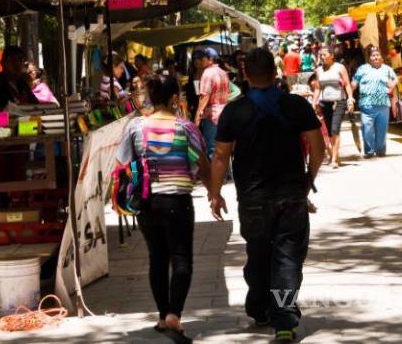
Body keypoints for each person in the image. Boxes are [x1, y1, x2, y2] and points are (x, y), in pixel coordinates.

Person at [208, 48, 325, 342]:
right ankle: (283, 319)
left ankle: (260, 309)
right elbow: (317, 146)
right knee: (288, 259)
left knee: (258, 254)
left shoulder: (234, 111)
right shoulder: (296, 105)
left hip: (252, 198)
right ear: (275, 73)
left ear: (244, 74)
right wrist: (308, 179)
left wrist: (215, 192)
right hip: (291, 195)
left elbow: (220, 155)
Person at [116, 75, 212, 340]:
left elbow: (123, 163)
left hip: (147, 202)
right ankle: (173, 315)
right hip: (177, 202)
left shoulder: (136, 127)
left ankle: (162, 315)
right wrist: (214, 194)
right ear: (174, 98)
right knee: (181, 258)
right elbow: (203, 165)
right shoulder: (185, 127)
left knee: (157, 258)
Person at [351, 45, 398, 158]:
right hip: (366, 104)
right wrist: (349, 96)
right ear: (369, 58)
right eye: (373, 55)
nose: (376, 57)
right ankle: (369, 151)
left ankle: (380, 151)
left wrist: (392, 85)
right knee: (367, 130)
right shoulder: (362, 69)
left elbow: (396, 79)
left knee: (381, 130)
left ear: (381, 57)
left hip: (383, 104)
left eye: (378, 55)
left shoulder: (387, 69)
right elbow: (354, 83)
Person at [312, 46, 354, 168]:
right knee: (330, 131)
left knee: (335, 129)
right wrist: (314, 102)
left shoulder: (340, 67)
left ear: (332, 56)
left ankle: (334, 159)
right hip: (325, 103)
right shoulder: (319, 70)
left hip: (339, 102)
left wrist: (350, 98)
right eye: (321, 55)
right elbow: (318, 88)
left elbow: (347, 84)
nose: (322, 57)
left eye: (324, 54)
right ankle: (335, 155)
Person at [0, 46, 38, 114]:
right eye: (12, 60)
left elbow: (36, 106)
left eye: (20, 60)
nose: (17, 63)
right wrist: (8, 114)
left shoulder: (23, 84)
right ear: (2, 63)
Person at [194, 49, 230, 159]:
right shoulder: (222, 72)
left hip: (212, 116)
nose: (199, 61)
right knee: (224, 150)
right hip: (224, 114)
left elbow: (204, 97)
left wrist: (197, 118)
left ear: (210, 59)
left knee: (212, 150)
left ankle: (215, 171)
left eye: (202, 58)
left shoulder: (208, 73)